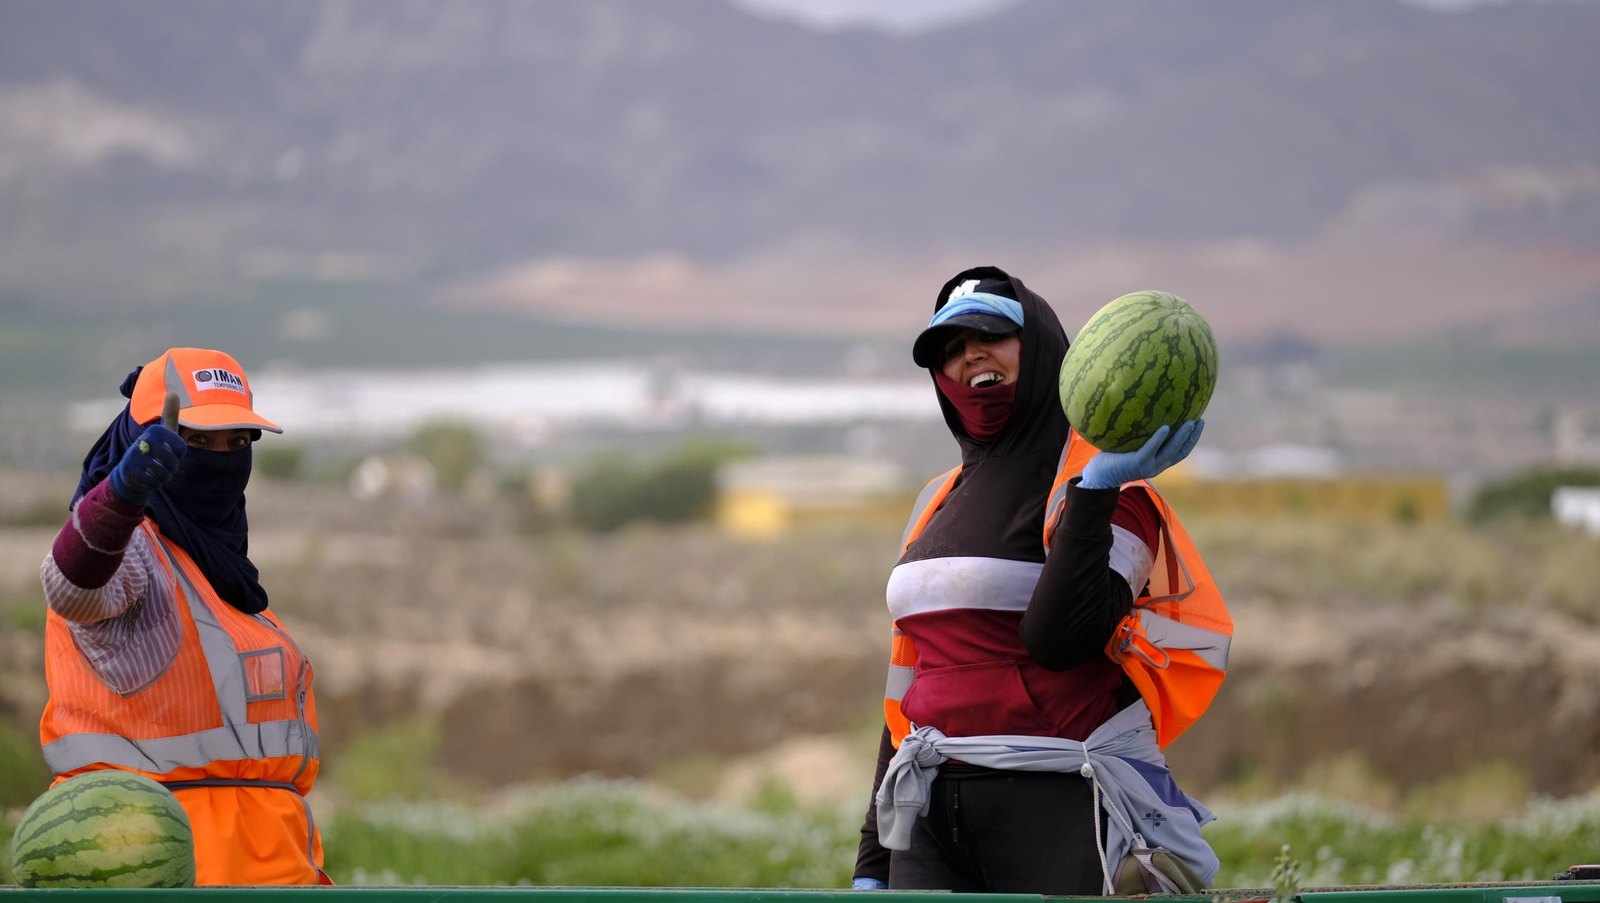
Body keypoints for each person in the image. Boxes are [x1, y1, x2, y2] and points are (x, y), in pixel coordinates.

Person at [851, 268, 1229, 894]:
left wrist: (1096, 491)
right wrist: (873, 859)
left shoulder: (1114, 490)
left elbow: (1059, 639)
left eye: (992, 334)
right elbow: (912, 690)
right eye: (949, 347)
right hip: (927, 818)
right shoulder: (934, 502)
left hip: (1061, 802)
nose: (969, 353)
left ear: (1049, 349)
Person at [38, 348, 327, 886]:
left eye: (238, 442)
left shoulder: (225, 581)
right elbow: (70, 586)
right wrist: (122, 496)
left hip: (273, 880)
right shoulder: (137, 553)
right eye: (197, 441)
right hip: (168, 882)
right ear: (144, 444)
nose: (222, 458)